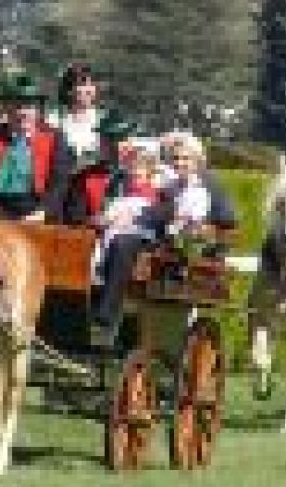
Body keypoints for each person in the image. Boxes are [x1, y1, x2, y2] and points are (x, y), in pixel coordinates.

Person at [91, 131, 238, 346]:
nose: (180, 163)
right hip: (161, 239)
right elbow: (155, 213)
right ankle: (98, 296)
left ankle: (106, 312)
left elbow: (226, 223)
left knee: (125, 243)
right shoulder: (169, 187)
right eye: (176, 158)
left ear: (198, 161)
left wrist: (199, 230)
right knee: (114, 238)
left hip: (186, 248)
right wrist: (124, 217)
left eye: (185, 158)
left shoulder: (209, 187)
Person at [0, 74, 73, 221]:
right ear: (7, 109)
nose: (22, 113)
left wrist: (43, 212)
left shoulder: (55, 138)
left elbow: (59, 184)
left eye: (28, 107)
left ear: (38, 111)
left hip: (36, 210)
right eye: (17, 106)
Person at [49, 63, 106, 166]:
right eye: (82, 84)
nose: (89, 90)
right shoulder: (54, 121)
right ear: (69, 90)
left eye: (91, 84)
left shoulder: (103, 120)